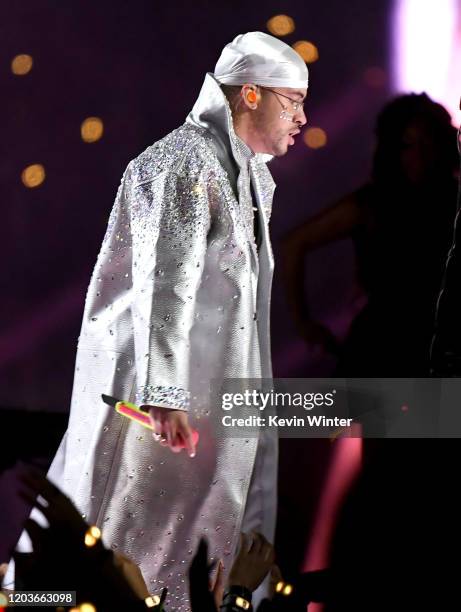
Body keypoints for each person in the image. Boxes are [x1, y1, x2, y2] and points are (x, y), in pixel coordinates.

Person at [7, 32, 308, 611]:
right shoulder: (183, 161)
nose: (301, 117)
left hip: (210, 403)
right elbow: (164, 283)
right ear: (250, 95)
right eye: (292, 101)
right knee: (124, 537)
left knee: (187, 545)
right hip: (162, 408)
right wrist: (164, 394)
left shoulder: (248, 174)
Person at [282, 93, 458, 376]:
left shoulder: (452, 201)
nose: (420, 154)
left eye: (428, 142)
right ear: (392, 149)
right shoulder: (373, 204)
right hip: (380, 352)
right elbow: (293, 244)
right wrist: (304, 324)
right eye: (408, 145)